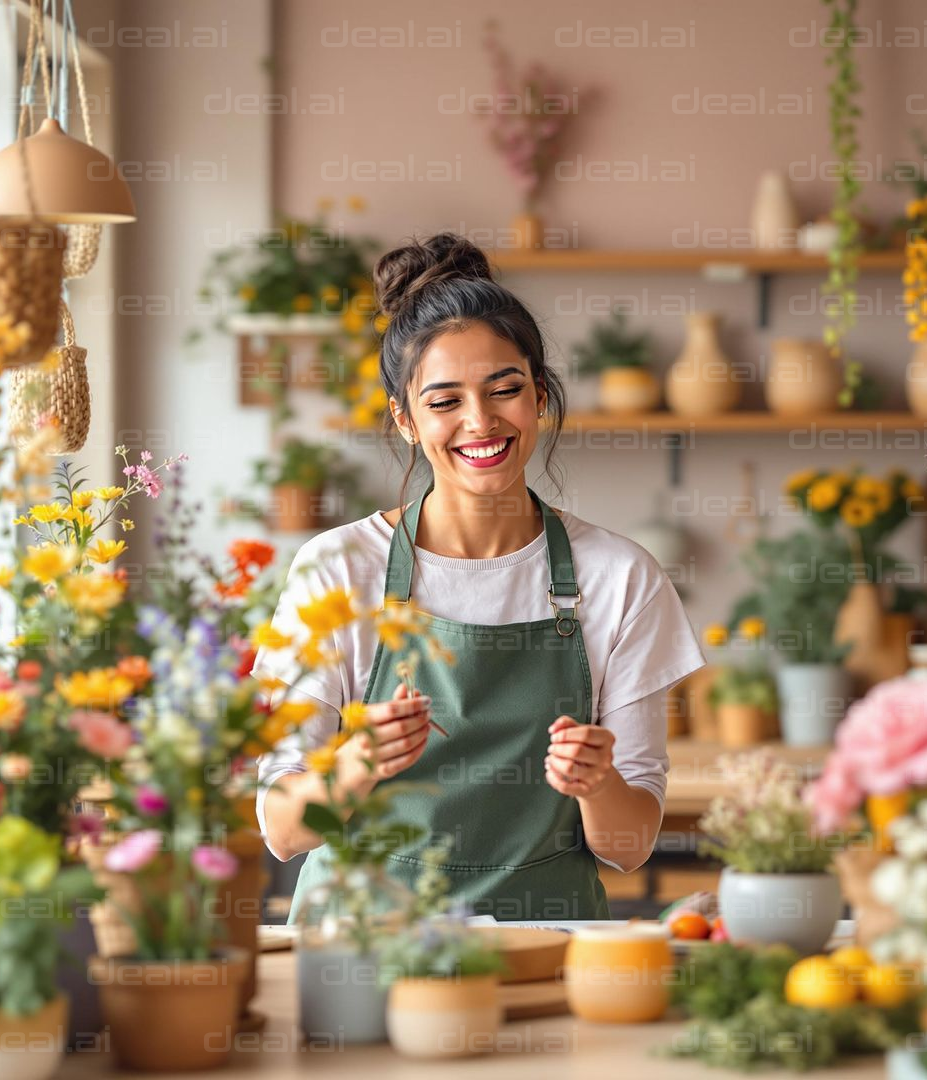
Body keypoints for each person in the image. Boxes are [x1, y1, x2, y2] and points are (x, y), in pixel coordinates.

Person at [253, 232, 706, 921]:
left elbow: (630, 844)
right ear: (405, 420)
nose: (480, 422)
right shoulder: (339, 571)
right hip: (362, 953)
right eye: (444, 402)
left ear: (540, 397)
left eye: (506, 390)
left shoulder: (620, 578)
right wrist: (358, 762)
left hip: (543, 945)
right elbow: (283, 830)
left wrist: (596, 783)